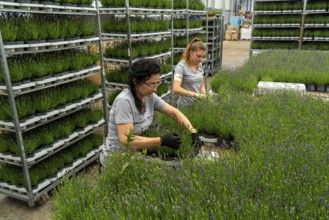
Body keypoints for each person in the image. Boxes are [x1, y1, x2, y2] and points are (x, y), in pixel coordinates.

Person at [100, 58, 202, 166]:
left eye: (157, 83)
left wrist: (193, 131)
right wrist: (161, 141)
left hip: (133, 156)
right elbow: (126, 140)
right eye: (151, 84)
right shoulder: (124, 102)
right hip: (114, 161)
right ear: (136, 82)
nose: (155, 88)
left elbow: (174, 113)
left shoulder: (149, 97)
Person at [173, 38, 207, 109]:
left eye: (203, 56)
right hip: (184, 107)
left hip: (197, 106)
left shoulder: (199, 65)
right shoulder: (181, 67)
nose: (201, 59)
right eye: (198, 56)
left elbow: (201, 85)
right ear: (191, 53)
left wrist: (203, 95)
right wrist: (195, 95)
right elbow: (176, 88)